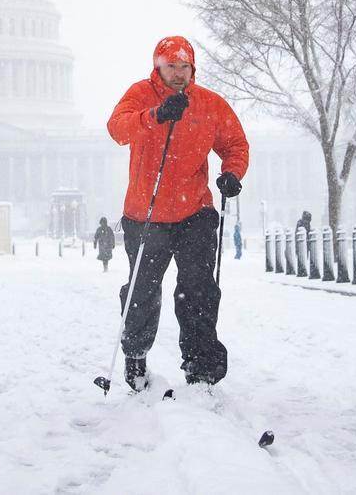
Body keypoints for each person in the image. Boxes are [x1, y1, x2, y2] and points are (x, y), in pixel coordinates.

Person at [106, 35, 249, 391]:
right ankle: (136, 357)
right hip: (147, 213)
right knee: (143, 290)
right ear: (158, 67)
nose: (179, 73)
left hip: (194, 211)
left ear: (193, 68)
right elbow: (117, 129)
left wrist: (231, 172)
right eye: (171, 66)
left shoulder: (209, 104)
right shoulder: (140, 95)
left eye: (185, 66)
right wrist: (154, 116)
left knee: (198, 290)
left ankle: (201, 367)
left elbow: (235, 144)